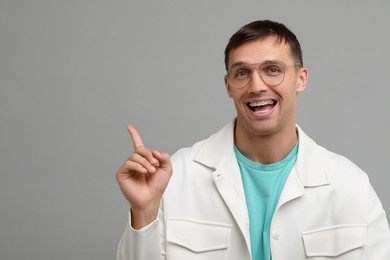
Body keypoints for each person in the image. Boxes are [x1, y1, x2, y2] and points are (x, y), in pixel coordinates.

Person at [115, 20, 390, 260]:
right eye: (242, 73)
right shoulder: (176, 176)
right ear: (228, 87)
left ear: (301, 79)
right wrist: (144, 214)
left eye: (272, 70)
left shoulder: (351, 186)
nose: (257, 86)